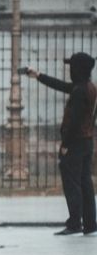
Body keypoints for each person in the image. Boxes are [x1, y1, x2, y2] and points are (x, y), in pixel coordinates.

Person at [27, 52, 96, 235]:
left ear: (78, 69)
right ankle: (90, 224)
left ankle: (74, 223)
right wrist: (39, 75)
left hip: (76, 143)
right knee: (85, 183)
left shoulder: (81, 91)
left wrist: (65, 145)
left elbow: (74, 121)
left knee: (72, 183)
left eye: (72, 67)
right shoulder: (87, 87)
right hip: (87, 142)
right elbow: (61, 85)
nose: (70, 70)